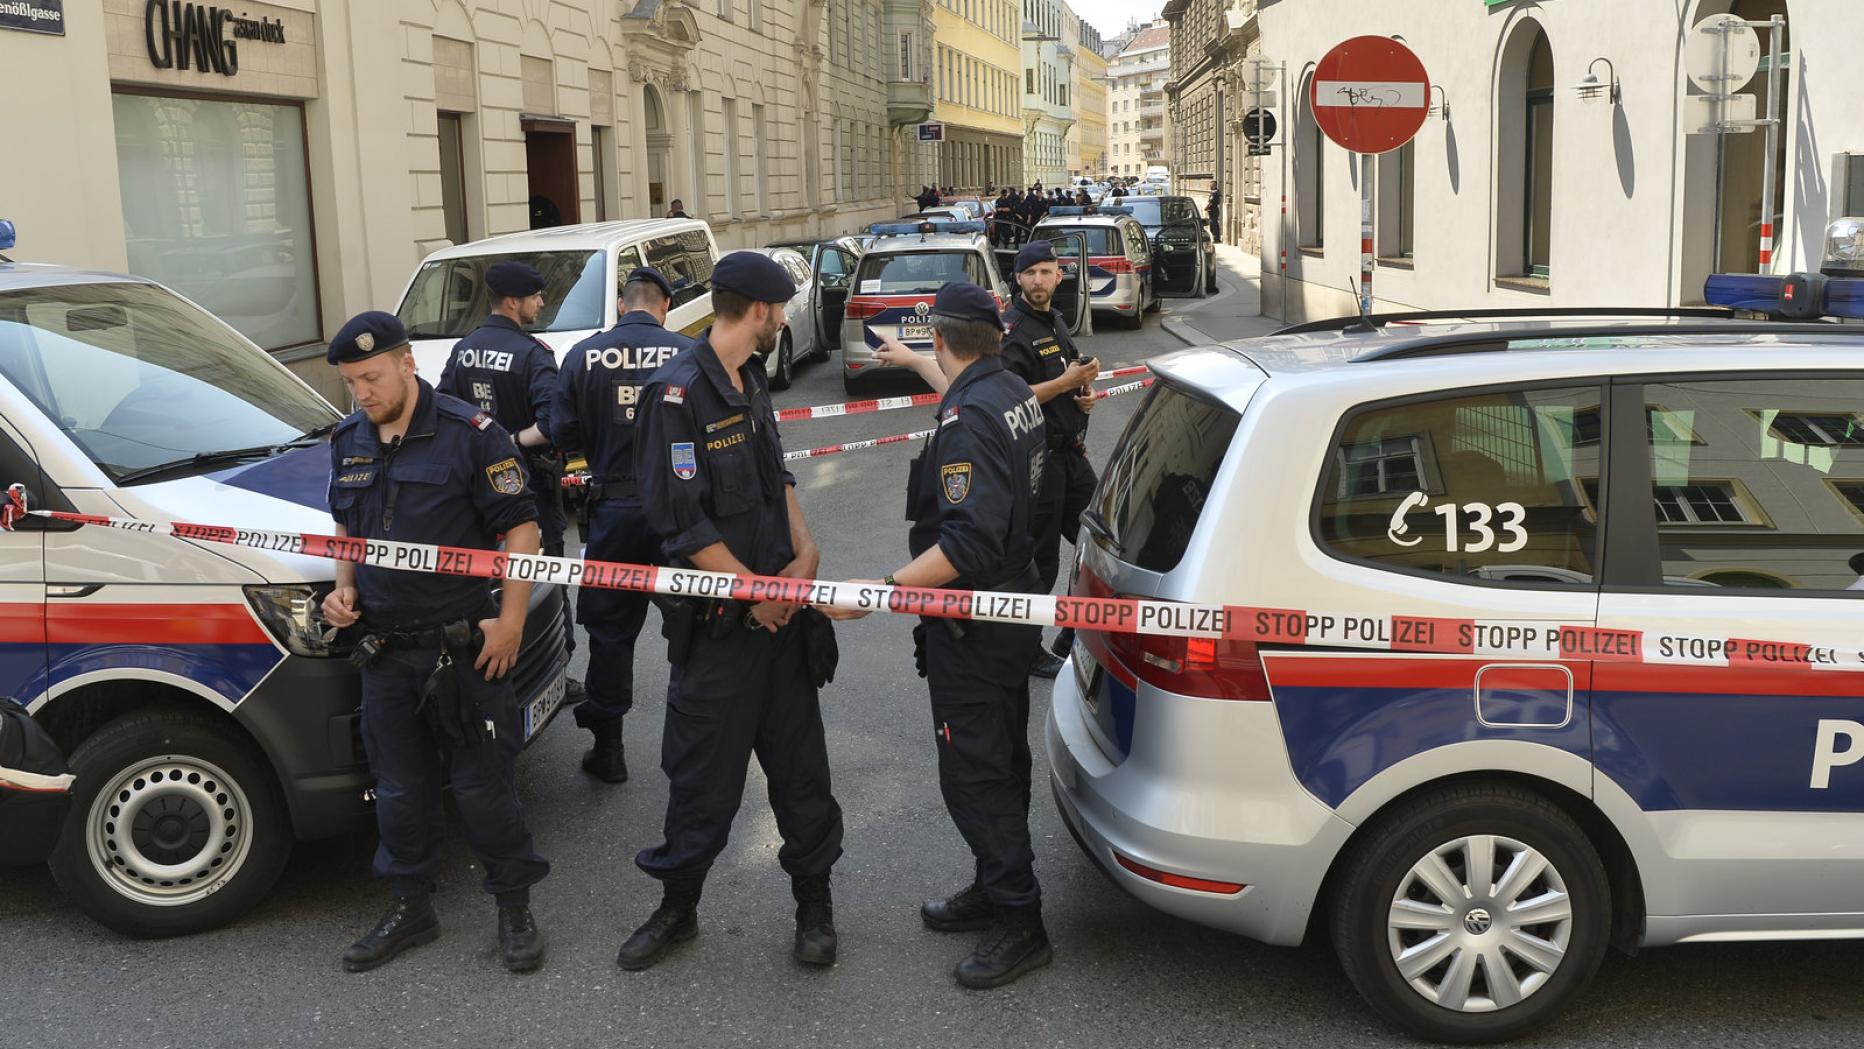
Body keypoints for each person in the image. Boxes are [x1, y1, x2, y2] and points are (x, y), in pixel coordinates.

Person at [617, 251, 844, 972]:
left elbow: (775, 472)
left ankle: (814, 904)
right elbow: (680, 525)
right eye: (780, 310)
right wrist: (758, 593)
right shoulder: (676, 393)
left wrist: (804, 552)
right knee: (700, 782)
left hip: (778, 628)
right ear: (759, 310)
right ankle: (677, 907)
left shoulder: (750, 378)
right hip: (719, 633)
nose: (784, 320)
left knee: (803, 775)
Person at [825, 283, 1052, 989]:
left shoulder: (968, 418)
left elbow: (969, 540)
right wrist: (918, 362)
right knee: (1002, 756)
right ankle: (996, 881)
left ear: (944, 340)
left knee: (975, 773)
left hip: (973, 624)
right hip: (1011, 610)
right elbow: (965, 391)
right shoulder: (1010, 387)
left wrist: (883, 592)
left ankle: (1020, 919)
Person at [320, 311, 550, 974]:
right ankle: (410, 904)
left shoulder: (473, 435)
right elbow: (345, 526)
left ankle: (514, 906)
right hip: (385, 649)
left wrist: (509, 622)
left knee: (485, 785)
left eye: (371, 376)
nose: (361, 391)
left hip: (463, 649)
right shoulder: (348, 438)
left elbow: (522, 530)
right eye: (350, 381)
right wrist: (345, 590)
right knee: (398, 788)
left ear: (406, 362)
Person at [551, 267, 695, 783]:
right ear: (666, 303)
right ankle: (694, 751)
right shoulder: (686, 351)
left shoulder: (583, 354)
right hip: (680, 515)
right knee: (695, 625)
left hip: (613, 511)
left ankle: (609, 749)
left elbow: (560, 431)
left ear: (619, 304)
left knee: (611, 631)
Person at [438, 262, 578, 690]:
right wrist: (511, 441)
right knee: (546, 579)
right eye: (536, 295)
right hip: (529, 487)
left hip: (478, 491)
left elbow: (444, 408)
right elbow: (553, 422)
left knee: (489, 577)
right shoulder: (533, 354)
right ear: (513, 301)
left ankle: (492, 663)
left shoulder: (465, 348)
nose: (541, 301)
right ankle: (557, 666)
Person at [998, 241, 1099, 679]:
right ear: (1018, 279)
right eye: (1030, 273)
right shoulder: (1013, 330)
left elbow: (1064, 379)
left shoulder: (1054, 320)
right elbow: (1010, 397)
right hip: (1038, 463)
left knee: (1102, 544)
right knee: (1040, 561)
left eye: (1046, 272)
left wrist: (1082, 395)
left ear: (1060, 276)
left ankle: (1073, 631)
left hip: (1072, 457)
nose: (1038, 280)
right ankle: (1026, 648)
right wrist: (1065, 383)